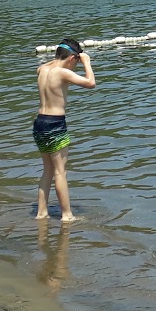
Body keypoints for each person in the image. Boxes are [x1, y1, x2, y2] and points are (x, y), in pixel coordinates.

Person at [34, 40, 94, 222]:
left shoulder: (43, 69)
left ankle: (41, 212)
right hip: (55, 123)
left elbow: (51, 64)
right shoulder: (63, 73)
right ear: (71, 59)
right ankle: (67, 215)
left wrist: (68, 57)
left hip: (39, 123)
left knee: (47, 171)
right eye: (76, 61)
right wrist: (87, 62)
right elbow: (91, 83)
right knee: (60, 171)